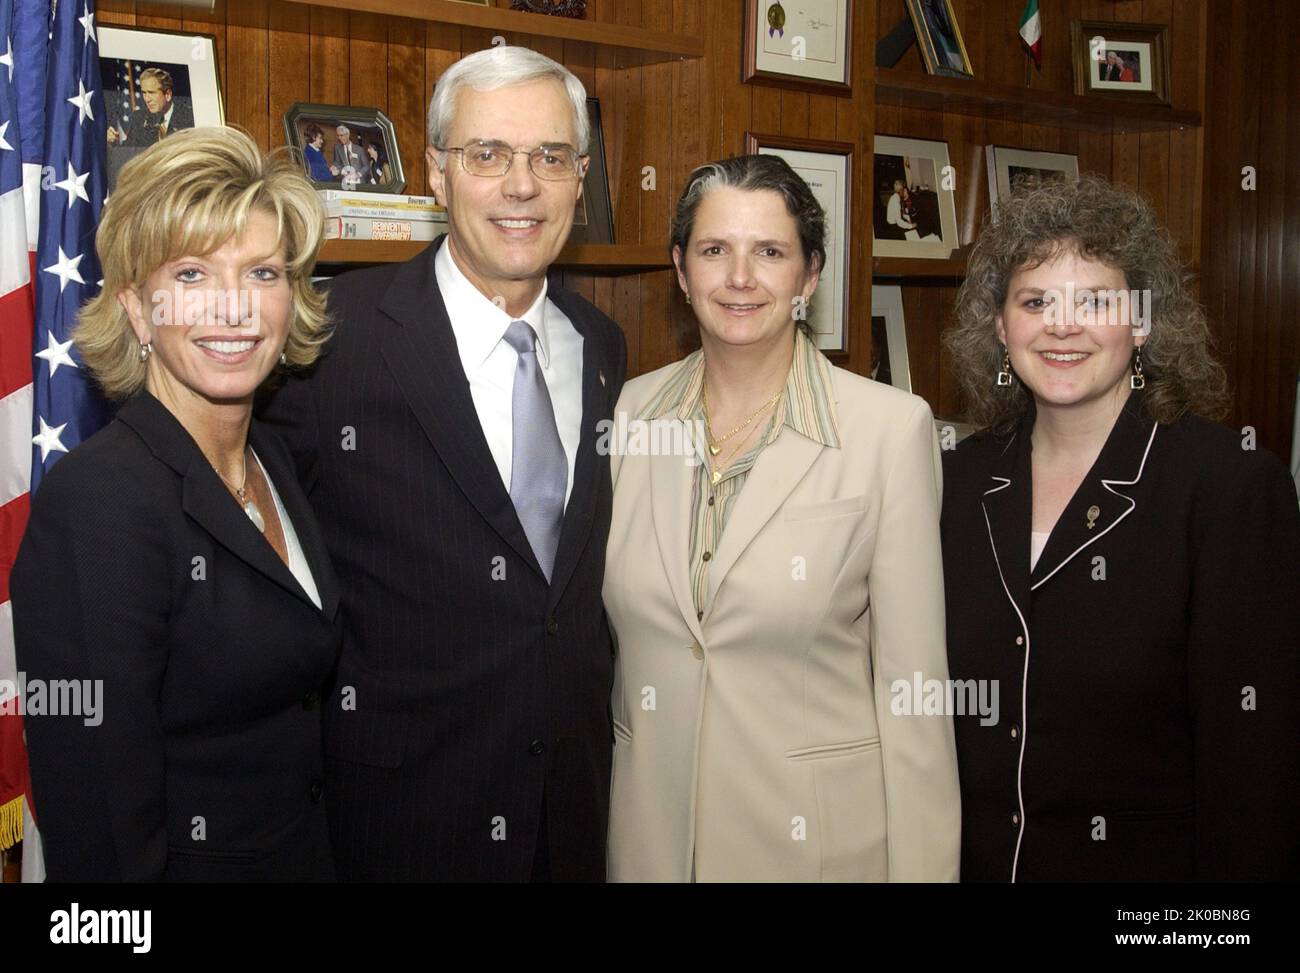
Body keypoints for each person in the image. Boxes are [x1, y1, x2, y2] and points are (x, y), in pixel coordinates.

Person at [259, 45, 627, 882]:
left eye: (550, 156)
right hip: (399, 822)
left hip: (572, 819)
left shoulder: (603, 347)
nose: (520, 185)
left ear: (580, 176)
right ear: (435, 172)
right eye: (487, 155)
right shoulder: (330, 337)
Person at [603, 154, 960, 882]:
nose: (740, 277)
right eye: (714, 250)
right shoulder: (634, 412)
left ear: (809, 275)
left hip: (817, 854)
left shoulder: (889, 431)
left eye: (770, 252)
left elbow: (914, 695)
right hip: (649, 848)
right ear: (680, 269)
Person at [941, 174, 1300, 882]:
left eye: (1094, 300)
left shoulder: (1228, 486)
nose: (1061, 325)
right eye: (1035, 300)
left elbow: (1256, 768)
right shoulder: (959, 481)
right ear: (1000, 325)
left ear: (1141, 321)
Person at [12, 127, 341, 881]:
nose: (234, 307)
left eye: (262, 272)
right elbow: (97, 826)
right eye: (192, 274)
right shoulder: (97, 502)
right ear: (136, 308)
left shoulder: (275, 462)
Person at [108, 67, 194, 147]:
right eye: (144, 93)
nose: (147, 99)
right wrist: (113, 143)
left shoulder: (189, 117)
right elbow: (128, 155)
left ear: (168, 94)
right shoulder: (140, 118)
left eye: (151, 93)